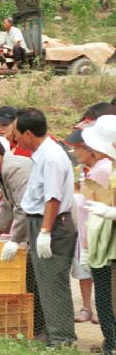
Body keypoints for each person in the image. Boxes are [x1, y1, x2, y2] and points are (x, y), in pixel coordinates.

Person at [0, 136, 45, 338]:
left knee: (44, 284)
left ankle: (54, 336)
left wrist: (13, 240)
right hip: (32, 231)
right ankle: (36, 329)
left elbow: (23, 207)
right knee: (32, 282)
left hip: (46, 227)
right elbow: (7, 205)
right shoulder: (0, 173)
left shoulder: (15, 168)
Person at [17, 108, 77, 347]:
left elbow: (52, 198)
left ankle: (62, 339)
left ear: (28, 133)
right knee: (43, 281)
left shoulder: (51, 157)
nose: (16, 140)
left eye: (17, 134)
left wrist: (45, 232)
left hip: (51, 224)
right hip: (41, 221)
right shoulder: (42, 155)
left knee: (53, 282)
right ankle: (51, 334)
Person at [65, 126, 113, 324]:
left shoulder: (102, 171)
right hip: (90, 238)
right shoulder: (89, 171)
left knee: (106, 294)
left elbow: (105, 205)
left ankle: (110, 345)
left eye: (77, 148)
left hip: (100, 241)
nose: (74, 153)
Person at [80, 115, 116, 355]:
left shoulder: (106, 170)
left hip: (107, 243)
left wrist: (111, 212)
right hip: (106, 241)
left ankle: (111, 346)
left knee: (106, 296)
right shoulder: (109, 168)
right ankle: (110, 343)